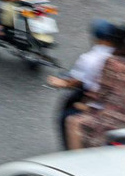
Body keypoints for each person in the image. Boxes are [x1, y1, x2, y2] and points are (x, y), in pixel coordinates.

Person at [65, 23, 125, 150]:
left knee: (73, 122)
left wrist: (86, 104)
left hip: (112, 116)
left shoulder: (111, 61)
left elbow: (103, 91)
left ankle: (77, 162)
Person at [47, 19, 120, 149]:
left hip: (100, 107)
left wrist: (60, 82)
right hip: (122, 107)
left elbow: (76, 81)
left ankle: (74, 156)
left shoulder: (91, 58)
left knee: (68, 118)